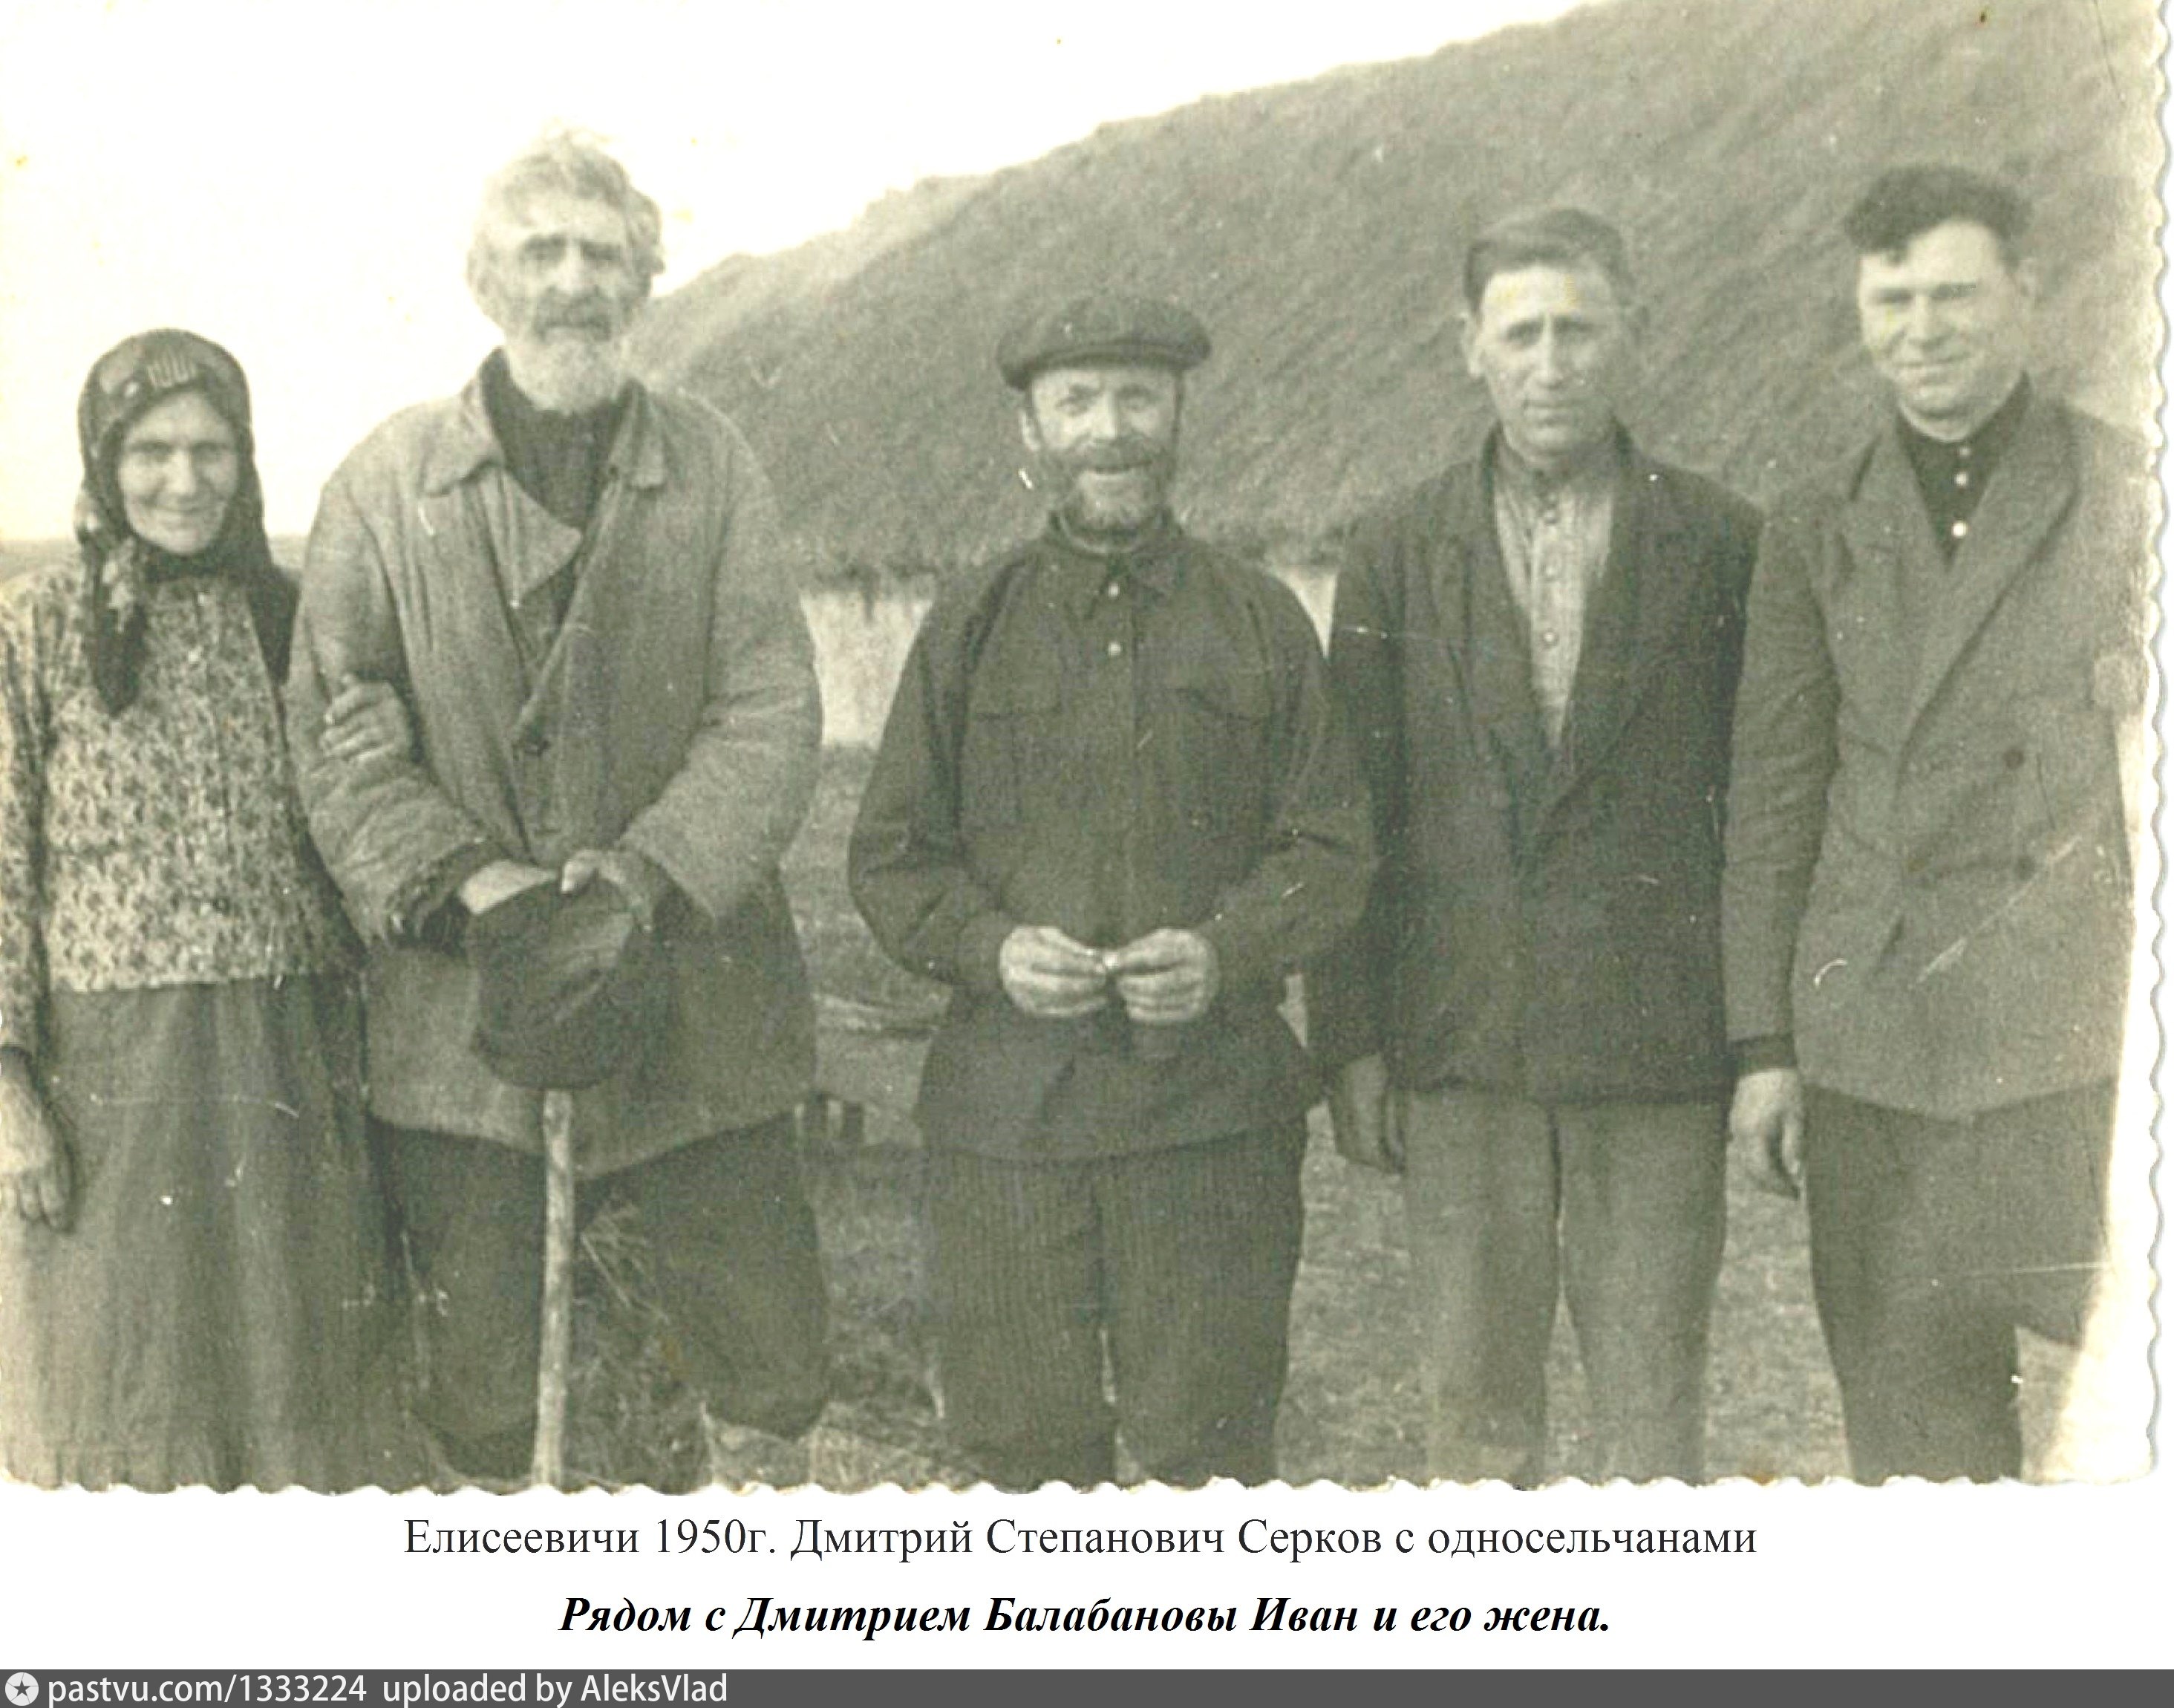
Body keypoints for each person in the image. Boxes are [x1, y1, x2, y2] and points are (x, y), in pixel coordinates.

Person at [287, 131, 829, 1486]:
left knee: (761, 1373)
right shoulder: (385, 485)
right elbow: (339, 734)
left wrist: (640, 880)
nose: (573, 281)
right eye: (543, 251)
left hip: (697, 1007)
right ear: (487, 281)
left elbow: (769, 707)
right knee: (482, 1398)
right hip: (463, 1029)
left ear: (642, 279)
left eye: (602, 254)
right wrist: (487, 894)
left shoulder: (713, 469)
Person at [848, 293, 1374, 1488]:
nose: (1111, 429)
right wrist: (990, 950)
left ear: (1179, 414)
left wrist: (1229, 951)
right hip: (1007, 1124)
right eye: (1077, 402)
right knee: (1023, 1455)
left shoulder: (1258, 618)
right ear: (1030, 431)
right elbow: (891, 854)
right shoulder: (971, 622)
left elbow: (1332, 847)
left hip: (1210, 1122)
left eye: (1139, 397)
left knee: (1209, 1455)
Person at [1308, 209, 1762, 1484]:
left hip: (1655, 1049)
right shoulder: (1395, 550)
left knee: (1652, 1414)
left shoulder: (1724, 541)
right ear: (1471, 346)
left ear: (1632, 336)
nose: (1550, 364)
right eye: (1521, 335)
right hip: (1463, 1047)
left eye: (1579, 330)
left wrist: (1760, 1043)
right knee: (1477, 1415)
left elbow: (1762, 804)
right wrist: (1351, 1039)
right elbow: (1356, 812)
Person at [1723, 166, 2151, 1482]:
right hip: (1880, 1052)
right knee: (1916, 1455)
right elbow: (1775, 791)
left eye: (1955, 295)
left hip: (2079, 1045)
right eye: (1892, 300)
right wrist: (1766, 1047)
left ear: (2027, 295)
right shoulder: (1815, 522)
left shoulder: (2128, 488)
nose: (1922, 330)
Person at [0, 328, 411, 1489]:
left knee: (295, 1368)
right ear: (104, 460)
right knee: (122, 1374)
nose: (183, 481)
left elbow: (366, 818)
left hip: (286, 1055)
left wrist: (393, 736)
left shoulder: (297, 625)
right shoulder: (34, 627)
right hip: (112, 1077)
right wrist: (9, 1087)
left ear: (246, 459)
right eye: (151, 451)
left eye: (210, 450)